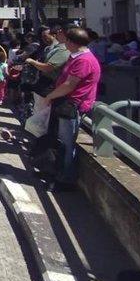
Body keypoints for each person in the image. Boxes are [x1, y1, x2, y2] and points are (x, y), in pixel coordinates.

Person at [44, 27, 102, 190]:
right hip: (67, 104)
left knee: (66, 144)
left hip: (72, 105)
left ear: (71, 42)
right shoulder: (76, 56)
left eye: (65, 39)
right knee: (62, 142)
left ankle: (65, 179)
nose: (62, 41)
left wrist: (50, 96)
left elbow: (69, 85)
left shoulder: (83, 60)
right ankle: (58, 173)